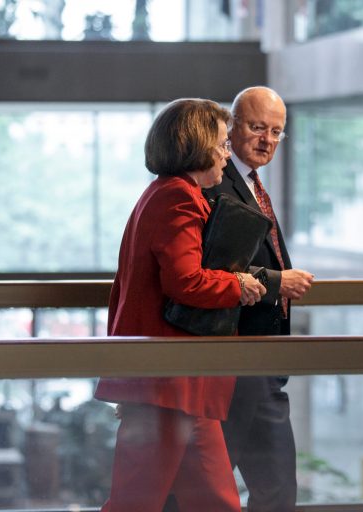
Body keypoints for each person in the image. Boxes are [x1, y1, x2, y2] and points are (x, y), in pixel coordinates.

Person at [94, 98, 267, 512]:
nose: (228, 156)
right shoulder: (178, 197)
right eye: (223, 145)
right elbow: (185, 281)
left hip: (178, 385)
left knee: (216, 502)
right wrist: (238, 284)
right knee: (136, 503)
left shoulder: (165, 193)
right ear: (199, 145)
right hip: (169, 383)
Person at [211, 86, 315, 511]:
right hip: (231, 365)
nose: (267, 140)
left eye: (277, 132)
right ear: (232, 127)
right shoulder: (214, 179)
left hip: (265, 364)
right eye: (257, 128)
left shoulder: (252, 184)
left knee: (277, 491)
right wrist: (276, 281)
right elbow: (210, 270)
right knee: (203, 489)